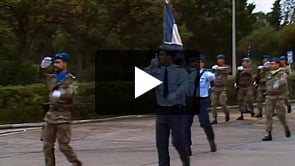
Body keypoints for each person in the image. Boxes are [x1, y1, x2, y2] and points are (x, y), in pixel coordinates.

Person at [144, 43, 190, 166]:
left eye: (162, 55)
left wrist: (176, 93)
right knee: (161, 144)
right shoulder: (157, 70)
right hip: (162, 112)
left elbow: (185, 85)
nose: (159, 57)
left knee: (178, 142)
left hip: (177, 112)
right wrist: (151, 67)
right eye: (159, 54)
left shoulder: (180, 71)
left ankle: (185, 160)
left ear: (169, 57)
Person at [39, 52, 82, 166]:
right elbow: (41, 77)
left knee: (63, 146)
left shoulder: (70, 79)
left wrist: (59, 93)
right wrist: (42, 68)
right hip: (50, 117)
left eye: (58, 62)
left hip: (63, 117)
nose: (55, 65)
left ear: (65, 63)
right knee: (47, 146)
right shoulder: (52, 78)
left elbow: (71, 92)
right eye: (54, 63)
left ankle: (76, 163)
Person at [188, 54, 217, 153]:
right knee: (186, 124)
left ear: (203, 64)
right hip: (191, 101)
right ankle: (187, 145)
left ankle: (211, 140)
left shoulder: (207, 74)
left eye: (200, 62)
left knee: (205, 122)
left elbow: (214, 78)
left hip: (202, 101)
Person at [262, 58, 291, 141]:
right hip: (269, 97)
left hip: (279, 97)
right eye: (271, 64)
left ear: (278, 64)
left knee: (281, 116)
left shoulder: (282, 73)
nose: (272, 65)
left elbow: (283, 81)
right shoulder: (268, 73)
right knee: (268, 115)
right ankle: (268, 133)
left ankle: (286, 128)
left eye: (273, 64)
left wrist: (278, 83)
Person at [210, 54, 230, 124]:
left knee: (223, 102)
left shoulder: (226, 67)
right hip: (215, 87)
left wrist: (216, 68)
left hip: (223, 88)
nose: (219, 60)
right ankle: (214, 118)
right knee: (213, 103)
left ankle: (227, 113)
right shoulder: (214, 68)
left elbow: (225, 70)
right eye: (218, 59)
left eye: (221, 59)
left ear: (223, 60)